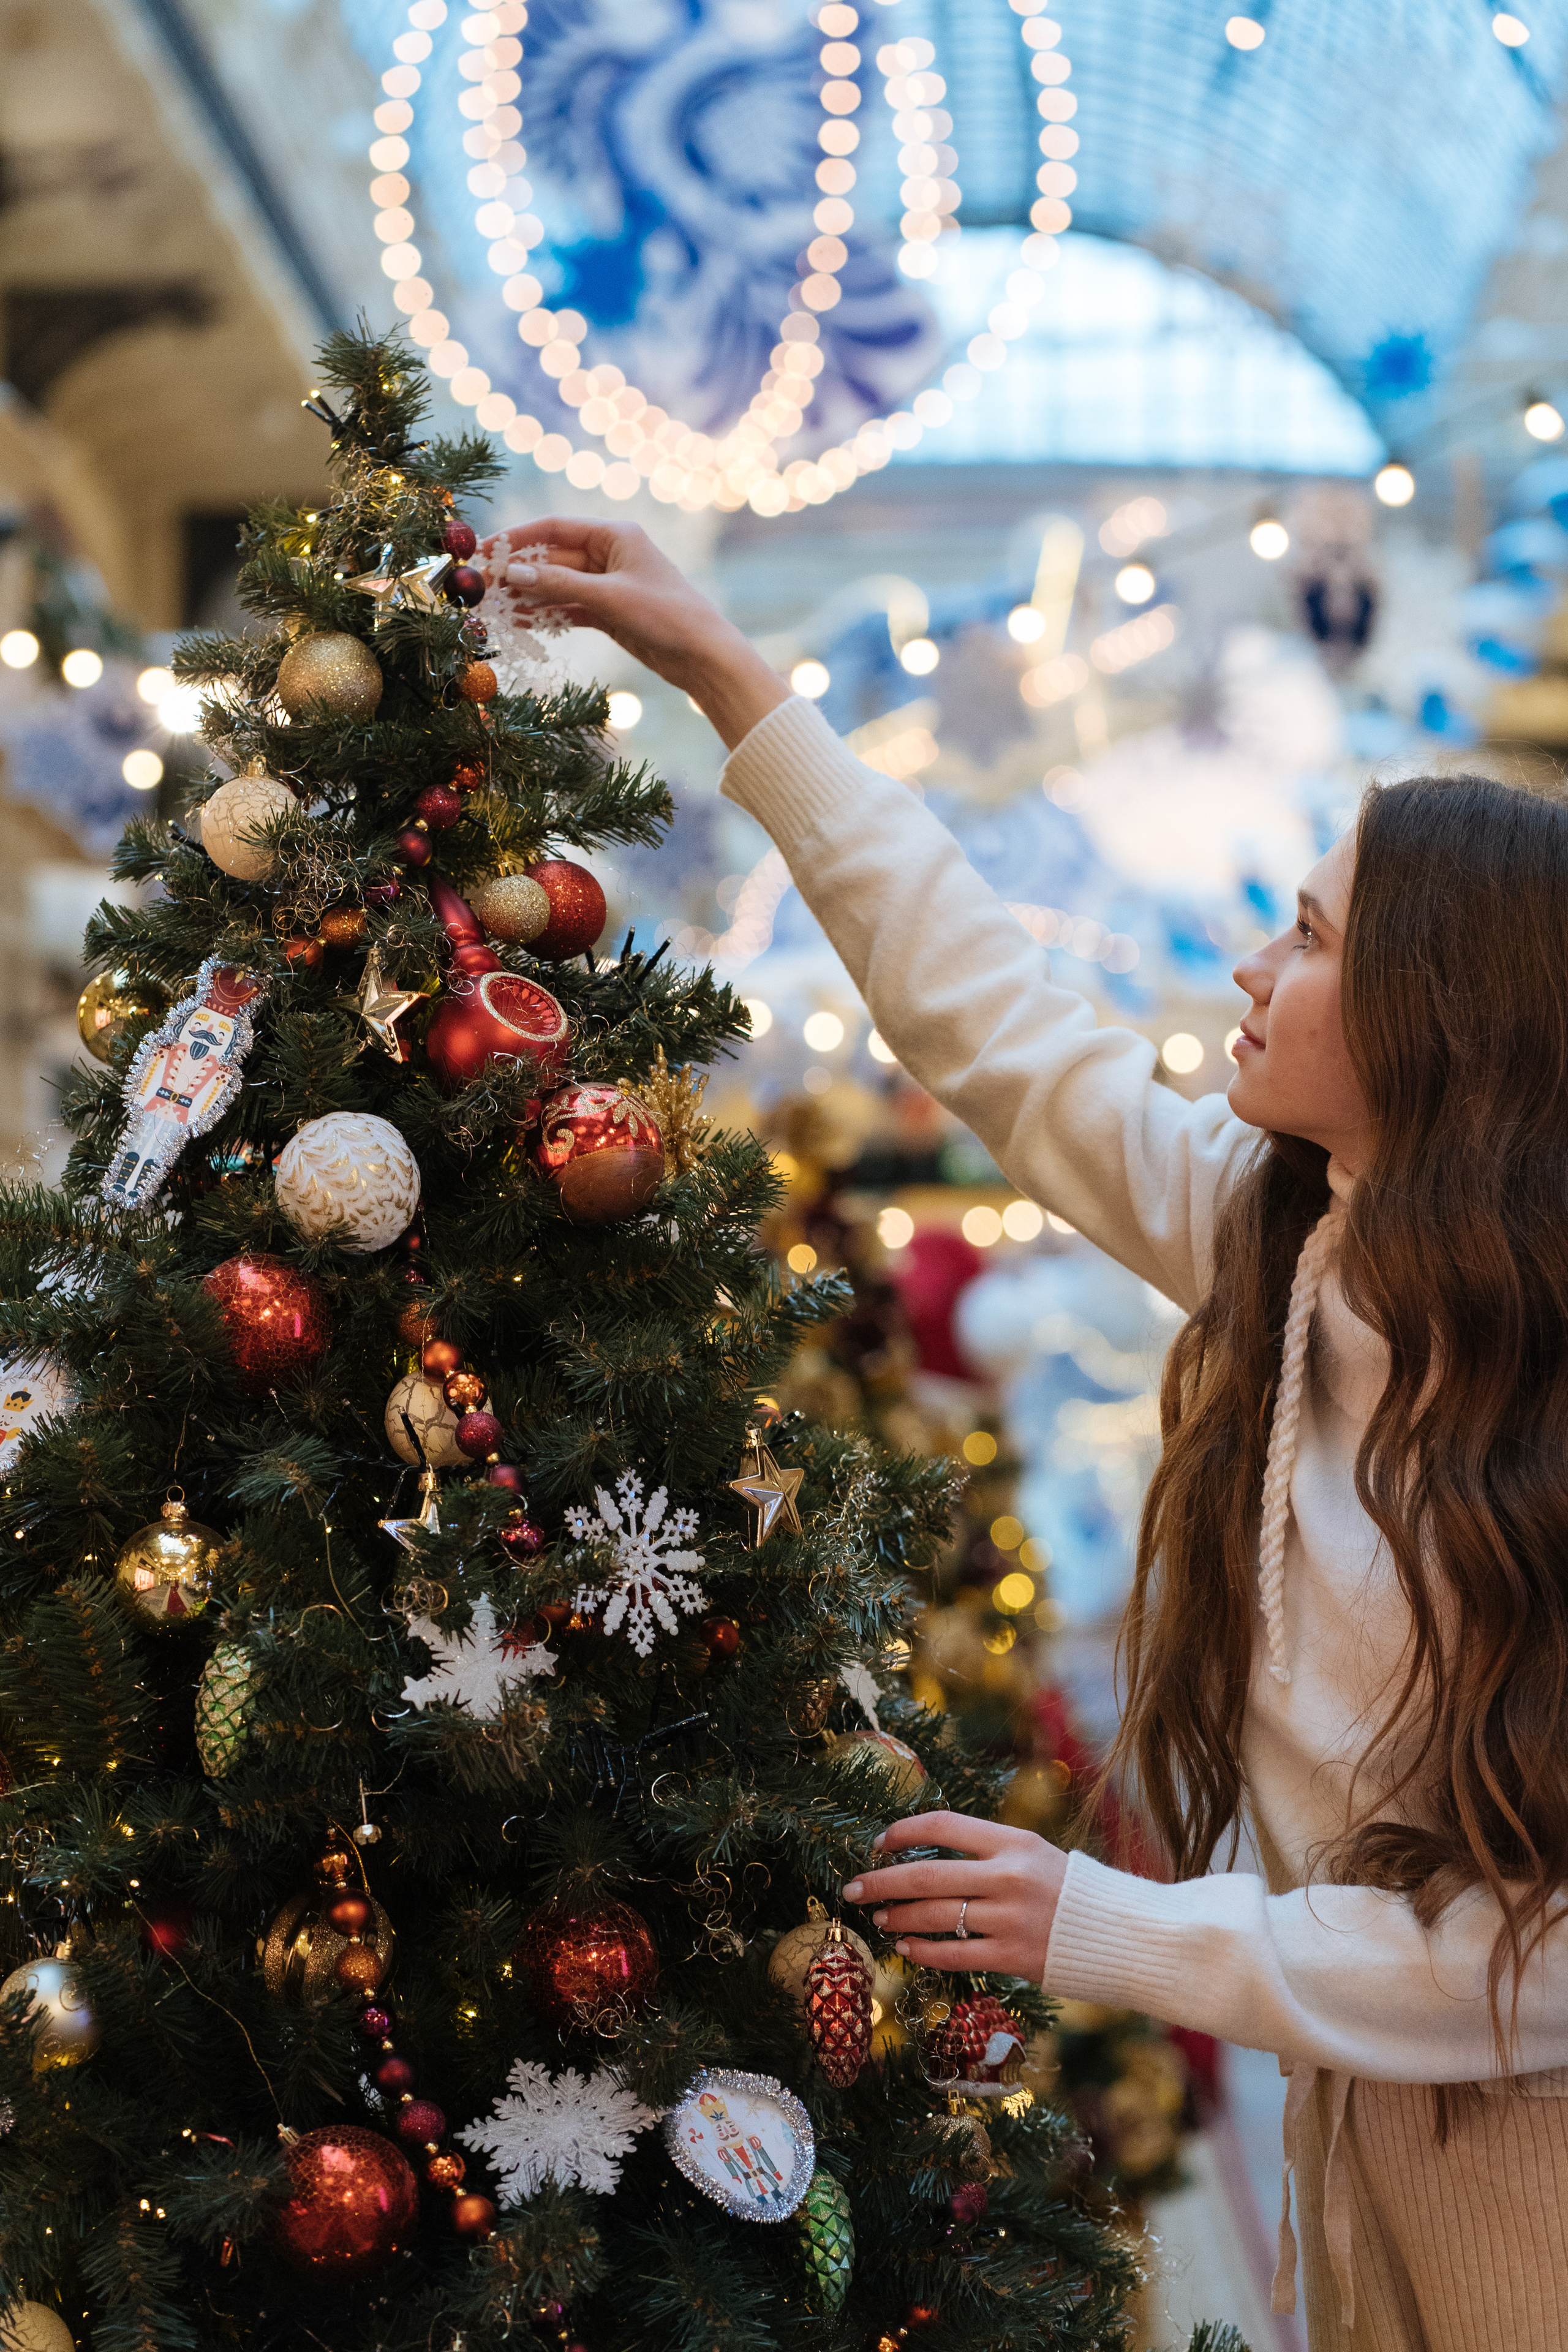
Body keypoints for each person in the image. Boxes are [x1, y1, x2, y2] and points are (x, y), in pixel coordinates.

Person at [480, 518, 1568, 2350]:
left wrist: (1111, 1925)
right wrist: (731, 676)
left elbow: (1538, 1959)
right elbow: (993, 1020)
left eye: (1308, 938)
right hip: (1374, 2130)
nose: (1251, 969)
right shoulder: (1287, 1246)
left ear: (1436, 1022)